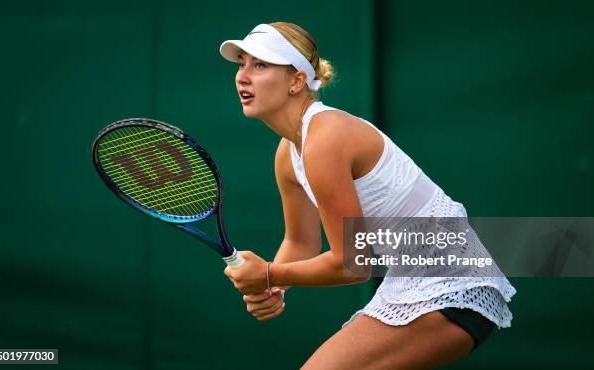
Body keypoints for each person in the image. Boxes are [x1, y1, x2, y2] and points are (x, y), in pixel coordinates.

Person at [219, 22, 516, 369]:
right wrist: (275, 287)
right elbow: (300, 242)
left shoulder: (325, 137)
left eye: (260, 65)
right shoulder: (288, 153)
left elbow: (354, 264)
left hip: (451, 285)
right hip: (417, 282)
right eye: (241, 64)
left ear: (297, 80)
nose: (243, 76)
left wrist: (271, 274)